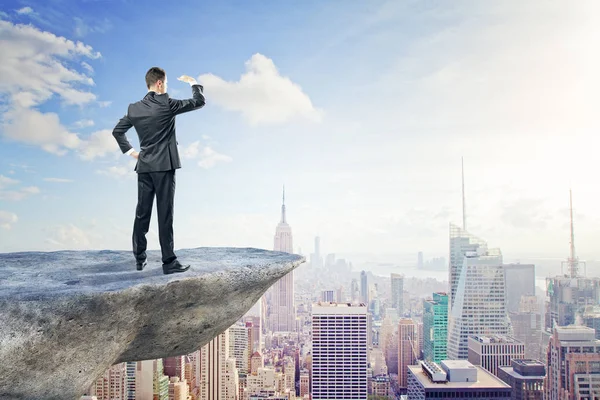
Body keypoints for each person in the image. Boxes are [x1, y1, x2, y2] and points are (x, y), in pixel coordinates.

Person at [112, 67, 205, 274]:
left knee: (141, 213)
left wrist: (132, 153)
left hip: (144, 166)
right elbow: (199, 102)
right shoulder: (167, 104)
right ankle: (168, 262)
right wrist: (193, 82)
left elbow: (117, 131)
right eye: (167, 83)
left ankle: (139, 258)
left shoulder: (134, 108)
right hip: (164, 166)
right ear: (160, 83)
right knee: (165, 214)